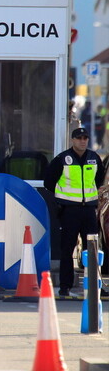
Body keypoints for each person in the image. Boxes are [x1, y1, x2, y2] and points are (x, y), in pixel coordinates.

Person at [44, 127, 104, 296]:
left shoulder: (94, 158)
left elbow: (98, 180)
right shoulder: (62, 159)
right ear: (72, 140)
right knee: (67, 249)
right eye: (79, 138)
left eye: (85, 138)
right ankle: (65, 286)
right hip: (69, 210)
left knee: (92, 249)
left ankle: (94, 285)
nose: (83, 141)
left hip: (88, 211)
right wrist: (64, 197)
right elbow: (49, 181)